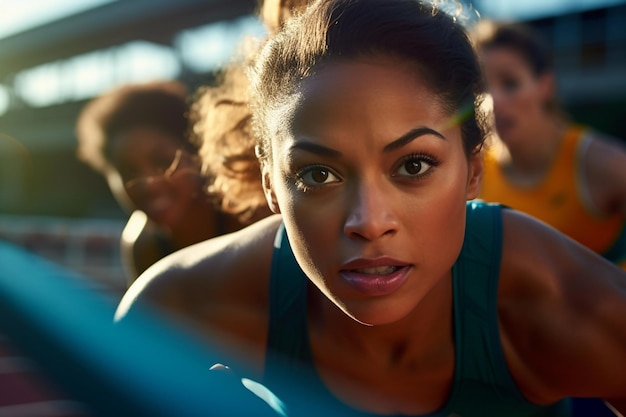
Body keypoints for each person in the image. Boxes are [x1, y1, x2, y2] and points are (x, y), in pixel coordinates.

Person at [115, 1, 626, 416]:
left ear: (473, 171)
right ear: (272, 185)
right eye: (318, 175)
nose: (369, 222)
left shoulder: (567, 305)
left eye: (414, 165)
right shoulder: (175, 308)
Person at [473, 21, 626, 269]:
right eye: (481, 88)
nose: (494, 101)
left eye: (510, 83)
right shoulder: (475, 170)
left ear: (545, 86)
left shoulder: (598, 161)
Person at [76, 81, 254, 285]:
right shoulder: (143, 246)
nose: (148, 184)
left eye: (162, 162)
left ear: (197, 155)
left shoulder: (247, 214)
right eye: (128, 171)